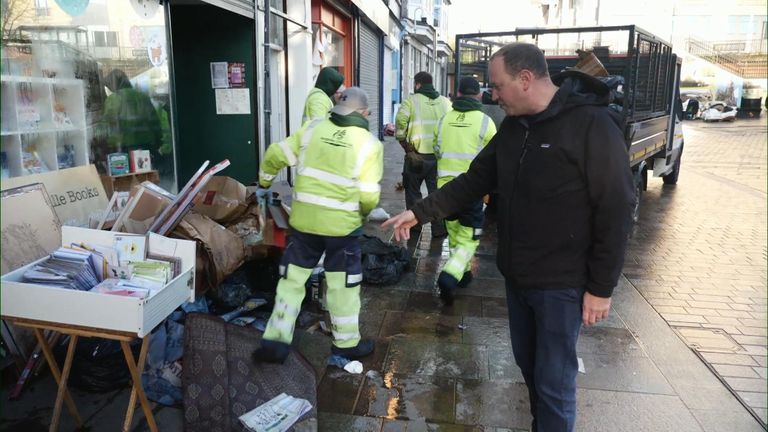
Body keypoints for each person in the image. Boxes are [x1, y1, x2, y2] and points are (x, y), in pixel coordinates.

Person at [383, 43, 634, 431]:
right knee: (531, 372)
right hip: (518, 278)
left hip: (562, 284)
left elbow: (616, 209)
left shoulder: (591, 126)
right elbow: (475, 179)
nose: (493, 96)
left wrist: (601, 287)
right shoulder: (514, 127)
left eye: (498, 86)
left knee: (554, 382)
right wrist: (418, 212)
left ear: (526, 79)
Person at [254, 87, 383, 364]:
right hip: (341, 232)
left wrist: (264, 183)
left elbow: (275, 153)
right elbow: (369, 196)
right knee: (342, 287)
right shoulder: (370, 144)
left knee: (292, 281)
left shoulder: (312, 129)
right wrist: (361, 214)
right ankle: (346, 344)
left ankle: (276, 341)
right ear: (362, 113)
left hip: (304, 227)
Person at [433, 76, 497, 305]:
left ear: (457, 93)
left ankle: (464, 272)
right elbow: (494, 160)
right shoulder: (485, 122)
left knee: (454, 233)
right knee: (469, 237)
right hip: (471, 190)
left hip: (445, 191)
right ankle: (450, 275)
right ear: (478, 94)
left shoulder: (443, 120)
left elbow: (437, 150)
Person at [395, 71, 452, 238]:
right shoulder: (445, 102)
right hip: (437, 157)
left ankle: (415, 226)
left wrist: (402, 140)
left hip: (416, 156)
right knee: (436, 193)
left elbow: (400, 122)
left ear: (418, 84)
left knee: (413, 191)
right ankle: (439, 229)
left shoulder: (411, 101)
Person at [101, 69, 162, 160]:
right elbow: (154, 122)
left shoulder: (112, 99)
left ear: (114, 84)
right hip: (147, 146)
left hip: (124, 149)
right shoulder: (143, 96)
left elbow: (107, 126)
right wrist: (158, 142)